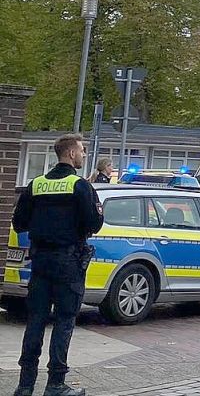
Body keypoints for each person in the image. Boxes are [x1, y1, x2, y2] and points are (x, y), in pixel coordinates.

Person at [12, 133, 104, 396]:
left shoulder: (36, 184)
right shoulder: (80, 186)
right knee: (64, 321)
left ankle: (25, 384)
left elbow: (19, 222)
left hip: (40, 262)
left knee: (36, 320)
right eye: (83, 150)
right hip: (68, 262)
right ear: (71, 154)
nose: (85, 155)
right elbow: (94, 223)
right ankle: (55, 384)